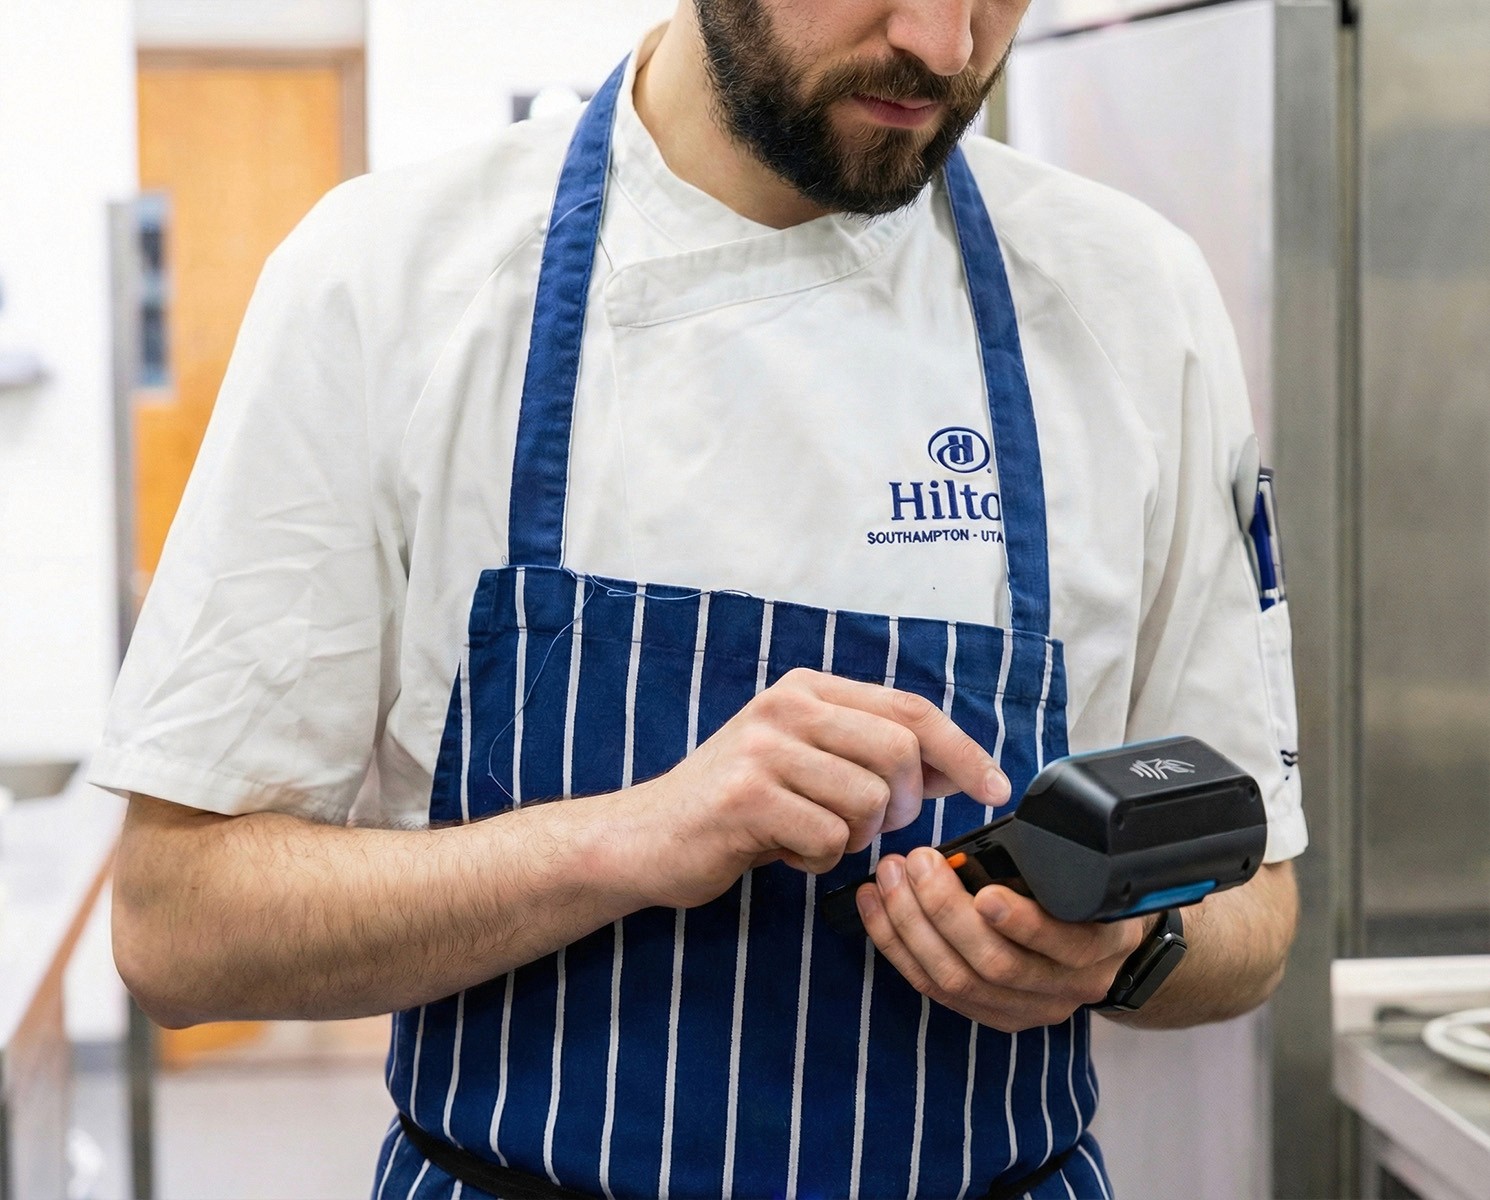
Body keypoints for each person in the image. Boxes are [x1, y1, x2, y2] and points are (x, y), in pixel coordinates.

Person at [94, 1, 1306, 1197]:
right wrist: (621, 840)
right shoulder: (390, 279)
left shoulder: (1133, 298)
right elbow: (179, 925)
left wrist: (1117, 950)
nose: (944, 46)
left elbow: (1251, 904)